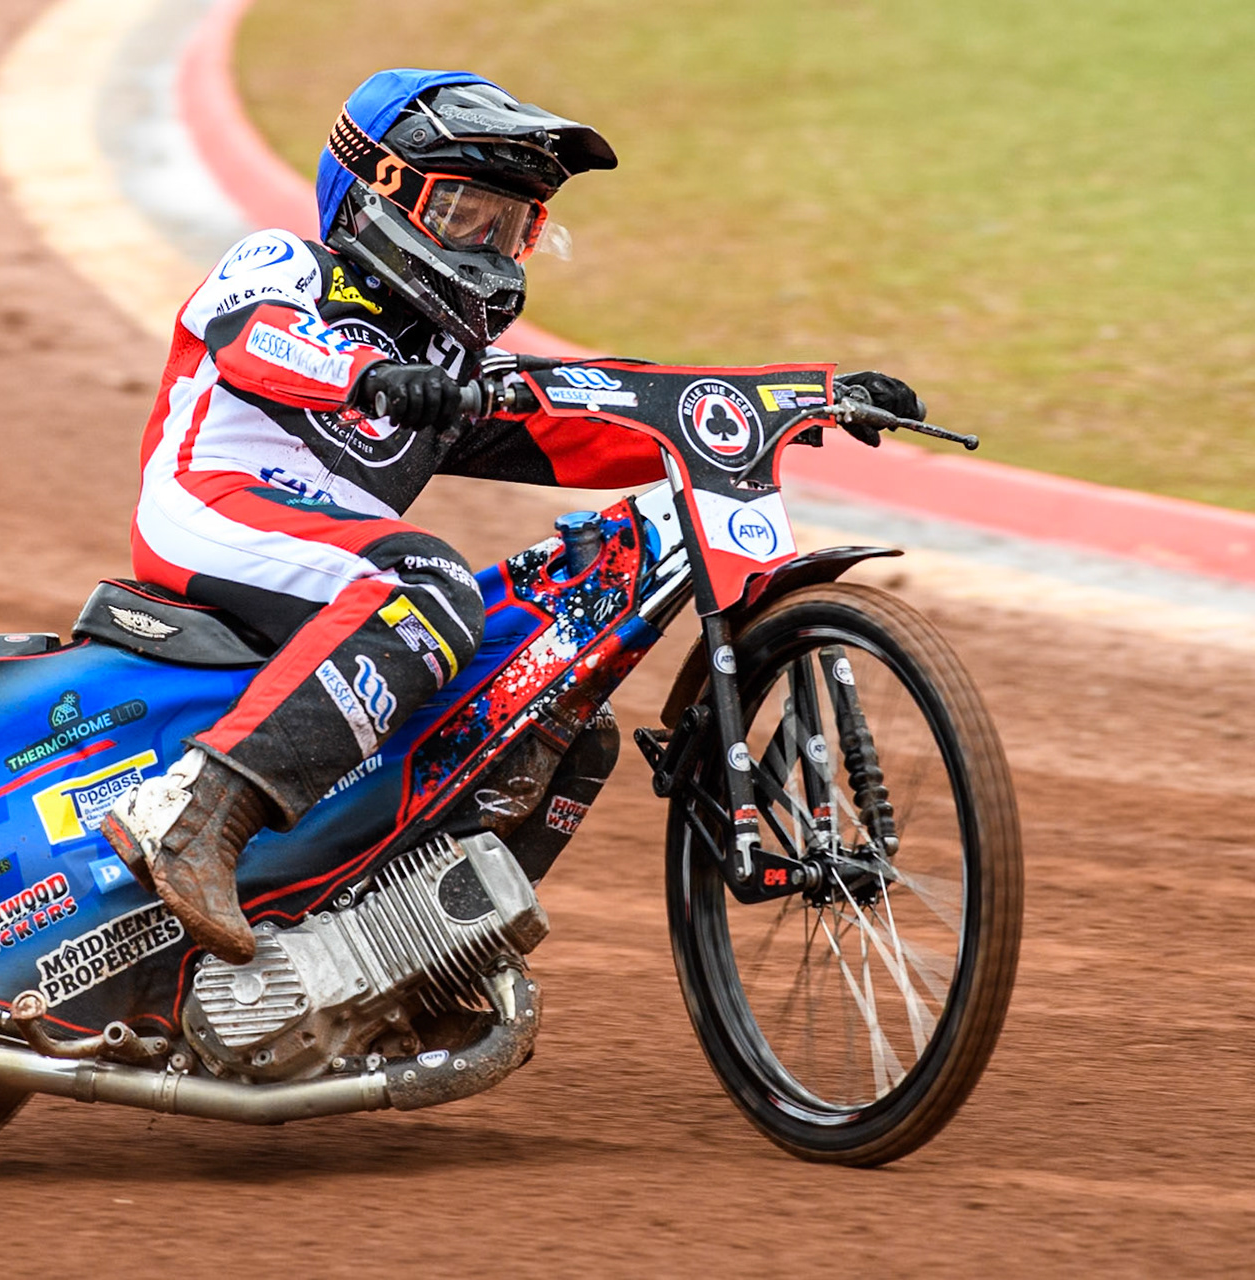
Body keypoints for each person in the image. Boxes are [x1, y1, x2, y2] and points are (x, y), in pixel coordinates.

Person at [102, 69, 923, 963]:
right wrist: (365, 377)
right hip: (208, 502)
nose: (488, 246)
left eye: (511, 224)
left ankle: (407, 952)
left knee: (556, 705)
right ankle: (191, 817)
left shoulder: (455, 356)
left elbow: (611, 414)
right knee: (426, 584)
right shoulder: (286, 263)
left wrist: (802, 398)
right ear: (379, 190)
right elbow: (256, 340)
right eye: (464, 215)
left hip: (334, 552)